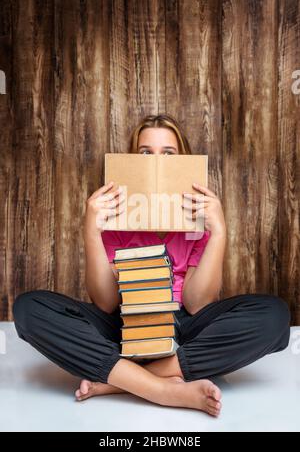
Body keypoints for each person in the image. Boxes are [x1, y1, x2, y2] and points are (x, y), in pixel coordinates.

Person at [13, 114, 290, 417]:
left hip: (183, 327)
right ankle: (161, 388)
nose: (156, 162)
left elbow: (198, 304)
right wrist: (91, 230)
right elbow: (106, 303)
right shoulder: (117, 216)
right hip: (125, 325)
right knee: (29, 309)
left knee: (275, 317)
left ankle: (121, 381)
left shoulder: (197, 219)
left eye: (168, 154)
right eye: (145, 153)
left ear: (182, 160)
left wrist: (219, 231)